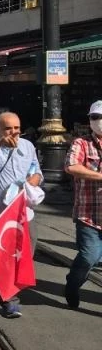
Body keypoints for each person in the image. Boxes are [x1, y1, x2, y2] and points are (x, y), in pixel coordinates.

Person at [0, 111, 42, 319]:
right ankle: (8, 299)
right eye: (7, 128)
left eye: (16, 128)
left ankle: (13, 286)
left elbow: (37, 171)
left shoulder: (28, 146)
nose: (13, 132)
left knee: (27, 252)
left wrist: (32, 181)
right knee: (2, 254)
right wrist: (0, 143)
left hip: (24, 210)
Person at [63, 100, 102, 309]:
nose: (99, 121)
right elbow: (71, 166)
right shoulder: (82, 143)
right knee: (90, 257)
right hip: (89, 214)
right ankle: (73, 283)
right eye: (95, 117)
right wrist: (99, 176)